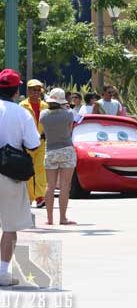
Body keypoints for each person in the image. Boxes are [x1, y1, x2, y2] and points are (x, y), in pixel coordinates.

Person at [0, 69, 41, 286]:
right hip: (9, 172)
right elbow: (33, 144)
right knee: (9, 226)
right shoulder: (21, 113)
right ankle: (2, 273)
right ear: (17, 91)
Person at [39, 88, 77, 225]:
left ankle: (49, 219)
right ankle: (63, 218)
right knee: (65, 186)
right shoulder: (69, 114)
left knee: (50, 186)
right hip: (67, 149)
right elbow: (69, 130)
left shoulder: (43, 115)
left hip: (50, 150)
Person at [20, 79, 48, 208]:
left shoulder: (45, 106)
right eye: (33, 89)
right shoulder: (22, 105)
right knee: (29, 171)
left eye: (38, 89)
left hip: (42, 141)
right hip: (27, 143)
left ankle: (40, 196)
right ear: (28, 90)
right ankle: (30, 197)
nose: (36, 92)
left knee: (40, 169)